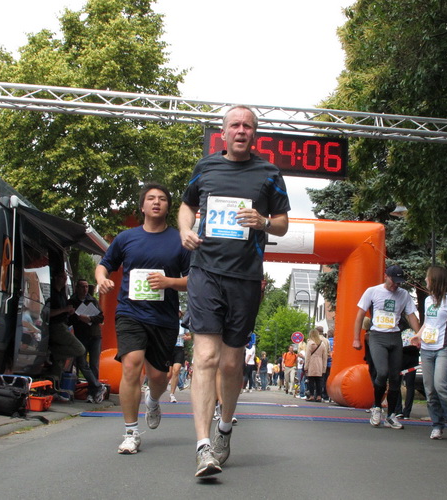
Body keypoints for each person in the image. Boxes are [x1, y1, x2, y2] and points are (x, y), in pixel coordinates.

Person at [178, 105, 290, 477]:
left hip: (245, 277)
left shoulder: (269, 173)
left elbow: (283, 224)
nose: (241, 130)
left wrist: (263, 221)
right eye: (235, 125)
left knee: (230, 363)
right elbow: (186, 205)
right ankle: (202, 447)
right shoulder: (206, 167)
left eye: (247, 126)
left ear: (254, 134)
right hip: (205, 271)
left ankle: (224, 428)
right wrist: (185, 230)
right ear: (223, 133)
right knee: (205, 357)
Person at [96, 182, 189, 455]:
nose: (156, 202)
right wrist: (101, 279)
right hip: (130, 312)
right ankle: (130, 432)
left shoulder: (179, 240)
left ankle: (154, 399)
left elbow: (193, 279)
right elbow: (104, 265)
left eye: (162, 199)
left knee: (159, 376)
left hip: (164, 317)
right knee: (131, 366)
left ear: (168, 207)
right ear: (142, 206)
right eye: (151, 198)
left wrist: (169, 282)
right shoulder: (126, 238)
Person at [353, 264, 420, 430]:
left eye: (398, 282)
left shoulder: (404, 294)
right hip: (377, 336)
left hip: (395, 337)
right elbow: (360, 315)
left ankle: (391, 415)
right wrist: (356, 339)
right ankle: (377, 407)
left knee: (395, 377)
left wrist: (419, 335)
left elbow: (411, 316)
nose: (395, 285)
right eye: (393, 281)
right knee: (382, 372)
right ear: (386, 276)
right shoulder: (372, 291)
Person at [410, 266, 447, 441]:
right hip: (427, 349)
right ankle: (437, 425)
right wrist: (418, 335)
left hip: (445, 348)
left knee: (441, 385)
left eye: (427, 277)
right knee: (430, 390)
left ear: (435, 280)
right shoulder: (428, 300)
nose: (425, 280)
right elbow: (427, 323)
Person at [68, 278, 107, 403]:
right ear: (77, 288)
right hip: (81, 335)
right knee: (81, 362)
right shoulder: (72, 302)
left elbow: (101, 317)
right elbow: (68, 320)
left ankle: (92, 392)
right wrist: (77, 318)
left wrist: (89, 318)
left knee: (94, 365)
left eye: (86, 287)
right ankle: (98, 386)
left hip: (95, 335)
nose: (85, 289)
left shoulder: (92, 300)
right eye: (82, 286)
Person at [169, 311, 191, 403]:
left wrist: (186, 337)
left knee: (176, 370)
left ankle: (172, 394)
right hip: (169, 348)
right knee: (168, 374)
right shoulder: (168, 321)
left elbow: (189, 336)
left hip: (179, 348)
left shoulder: (182, 324)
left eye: (178, 312)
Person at [305, 328, 328, 402]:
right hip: (319, 363)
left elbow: (307, 356)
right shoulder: (322, 344)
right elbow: (325, 357)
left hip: (311, 363)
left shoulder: (310, 343)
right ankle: (319, 396)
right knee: (319, 381)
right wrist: (324, 367)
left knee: (311, 380)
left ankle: (311, 395)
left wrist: (306, 366)